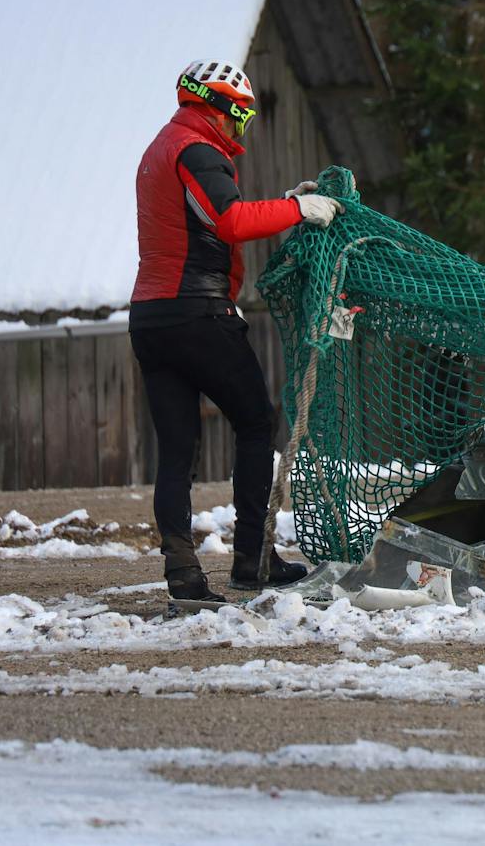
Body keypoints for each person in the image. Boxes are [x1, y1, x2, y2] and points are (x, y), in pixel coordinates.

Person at [129, 59, 343, 602]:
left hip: (150, 318)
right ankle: (253, 559)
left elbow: (217, 217)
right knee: (255, 422)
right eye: (240, 117)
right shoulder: (198, 150)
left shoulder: (163, 147)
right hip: (197, 312)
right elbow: (231, 221)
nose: (241, 129)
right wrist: (296, 209)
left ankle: (183, 574)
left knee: (177, 450)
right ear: (218, 109)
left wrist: (284, 204)